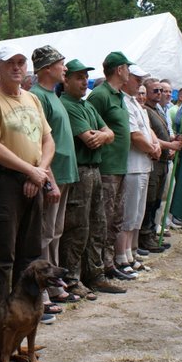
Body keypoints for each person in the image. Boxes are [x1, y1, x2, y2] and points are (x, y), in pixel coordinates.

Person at [0, 45, 55, 317]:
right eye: (10, 62)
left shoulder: (32, 99)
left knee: (30, 250)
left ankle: (27, 308)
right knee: (3, 252)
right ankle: (1, 312)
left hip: (34, 176)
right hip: (5, 180)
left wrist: (39, 171)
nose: (17, 67)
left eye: (21, 62)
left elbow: (48, 141)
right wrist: (30, 171)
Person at [59, 59, 120, 298]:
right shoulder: (67, 104)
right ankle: (72, 278)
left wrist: (103, 136)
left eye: (86, 77)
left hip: (94, 169)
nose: (84, 82)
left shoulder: (87, 105)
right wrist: (103, 136)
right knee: (77, 227)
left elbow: (110, 134)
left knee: (98, 223)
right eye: (79, 77)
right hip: (80, 171)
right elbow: (89, 139)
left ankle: (95, 274)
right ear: (66, 80)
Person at [29, 46, 78, 309]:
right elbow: (38, 144)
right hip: (52, 175)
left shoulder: (53, 94)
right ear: (47, 68)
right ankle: (42, 289)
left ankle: (56, 283)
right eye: (61, 63)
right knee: (45, 234)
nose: (65, 68)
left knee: (55, 232)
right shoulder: (38, 96)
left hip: (64, 174)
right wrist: (49, 181)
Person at [86, 51, 134, 282]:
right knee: (102, 220)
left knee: (115, 219)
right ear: (119, 69)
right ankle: (97, 267)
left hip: (120, 168)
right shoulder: (100, 95)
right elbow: (89, 125)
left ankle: (109, 262)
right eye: (127, 67)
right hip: (106, 168)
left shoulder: (119, 96)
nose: (129, 72)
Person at [119, 65, 159, 271]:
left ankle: (132, 251)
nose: (140, 83)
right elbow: (135, 135)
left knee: (137, 213)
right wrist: (152, 149)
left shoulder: (136, 103)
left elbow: (147, 130)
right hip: (132, 164)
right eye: (136, 79)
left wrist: (156, 145)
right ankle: (122, 255)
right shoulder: (124, 102)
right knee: (128, 213)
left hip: (143, 164)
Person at [139, 78, 182, 254]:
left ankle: (150, 234)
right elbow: (151, 138)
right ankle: (144, 237)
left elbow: (162, 133)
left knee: (157, 200)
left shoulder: (158, 110)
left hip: (164, 161)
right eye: (155, 91)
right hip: (154, 161)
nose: (159, 94)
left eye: (160, 90)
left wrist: (173, 139)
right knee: (149, 201)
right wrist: (170, 145)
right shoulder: (145, 110)